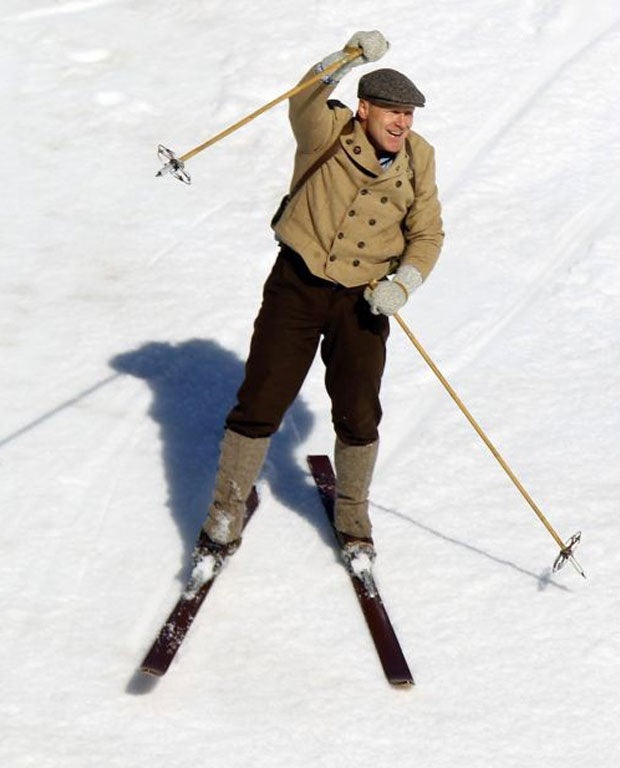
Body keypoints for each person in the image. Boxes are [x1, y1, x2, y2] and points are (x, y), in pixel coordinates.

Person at [192, 30, 444, 581]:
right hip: (299, 286)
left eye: (410, 114)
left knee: (359, 411)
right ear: (364, 108)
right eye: (393, 112)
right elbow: (304, 95)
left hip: (365, 302)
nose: (403, 123)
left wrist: (404, 282)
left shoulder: (419, 158)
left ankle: (353, 519)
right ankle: (225, 513)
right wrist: (347, 56)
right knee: (262, 398)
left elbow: (427, 234)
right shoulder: (325, 129)